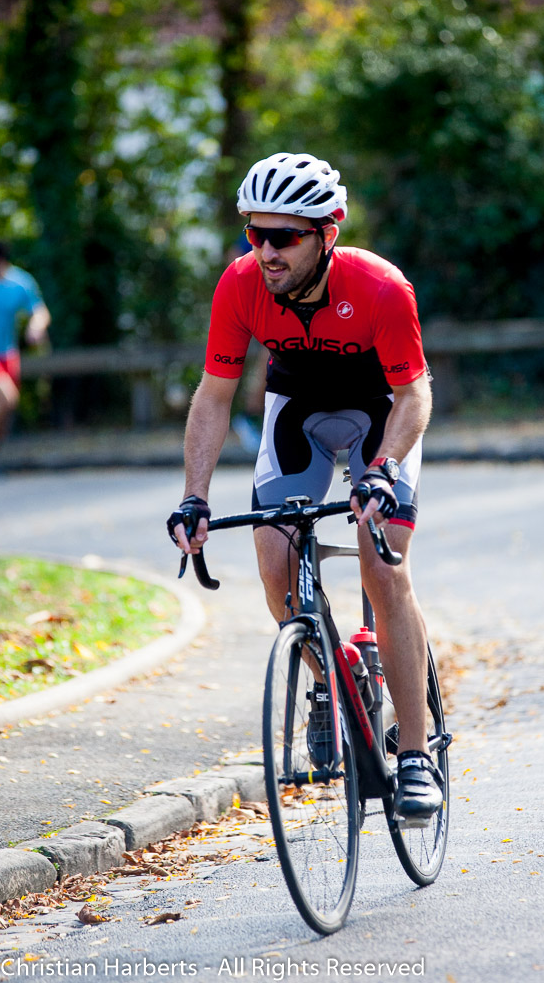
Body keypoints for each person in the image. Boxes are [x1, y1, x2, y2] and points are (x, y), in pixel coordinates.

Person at [167, 151, 443, 824]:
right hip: (297, 410)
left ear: (327, 234)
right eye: (254, 235)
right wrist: (194, 496)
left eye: (283, 237)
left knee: (383, 567)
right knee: (275, 571)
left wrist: (382, 470)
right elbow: (213, 397)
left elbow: (414, 396)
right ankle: (335, 676)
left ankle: (414, 755)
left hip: (379, 411)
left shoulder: (381, 288)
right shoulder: (240, 285)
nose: (265, 252)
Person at [0, 238, 51, 474]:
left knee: (9, 404)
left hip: (7, 355)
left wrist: (35, 327)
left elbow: (39, 310)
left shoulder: (20, 282)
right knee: (4, 396)